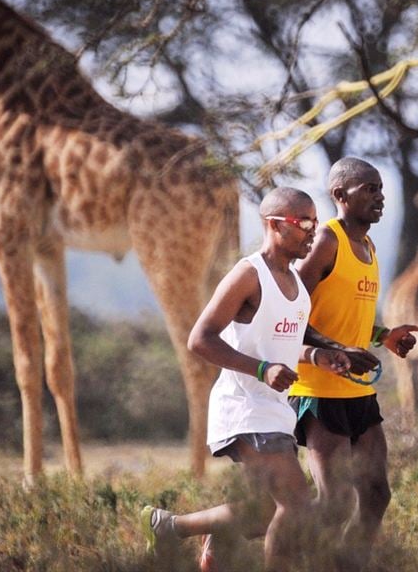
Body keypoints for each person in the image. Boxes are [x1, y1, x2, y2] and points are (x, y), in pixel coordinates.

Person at [140, 187, 350, 572]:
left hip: (276, 412)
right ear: (273, 225)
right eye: (303, 223)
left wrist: (319, 356)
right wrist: (260, 369)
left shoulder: (299, 287)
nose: (311, 231)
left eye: (315, 223)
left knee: (265, 511)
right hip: (244, 408)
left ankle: (170, 526)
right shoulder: (249, 274)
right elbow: (199, 339)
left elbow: (284, 347)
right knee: (296, 505)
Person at [289, 157, 418, 570]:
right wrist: (334, 352)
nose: (379, 197)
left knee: (377, 494)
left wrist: (383, 336)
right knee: (335, 504)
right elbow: (290, 313)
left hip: (359, 391)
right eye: (369, 189)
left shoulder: (369, 246)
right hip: (318, 390)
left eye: (380, 188)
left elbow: (346, 319)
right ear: (340, 196)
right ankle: (234, 530)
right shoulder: (328, 241)